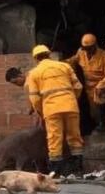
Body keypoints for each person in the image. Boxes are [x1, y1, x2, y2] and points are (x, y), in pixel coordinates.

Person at [25, 45, 85, 175]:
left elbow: (34, 98)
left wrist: (41, 111)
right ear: (49, 54)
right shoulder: (65, 66)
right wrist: (72, 99)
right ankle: (78, 168)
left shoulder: (34, 73)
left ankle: (56, 171)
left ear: (36, 59)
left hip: (51, 109)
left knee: (54, 138)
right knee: (74, 136)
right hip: (70, 106)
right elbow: (78, 86)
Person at [64, 33, 105, 132]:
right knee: (92, 111)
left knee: (100, 106)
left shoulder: (104, 56)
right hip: (88, 86)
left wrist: (100, 86)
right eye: (85, 48)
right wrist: (61, 64)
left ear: (95, 46)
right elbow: (73, 60)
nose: (87, 50)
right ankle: (96, 124)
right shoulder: (81, 52)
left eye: (89, 48)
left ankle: (102, 125)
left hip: (101, 86)